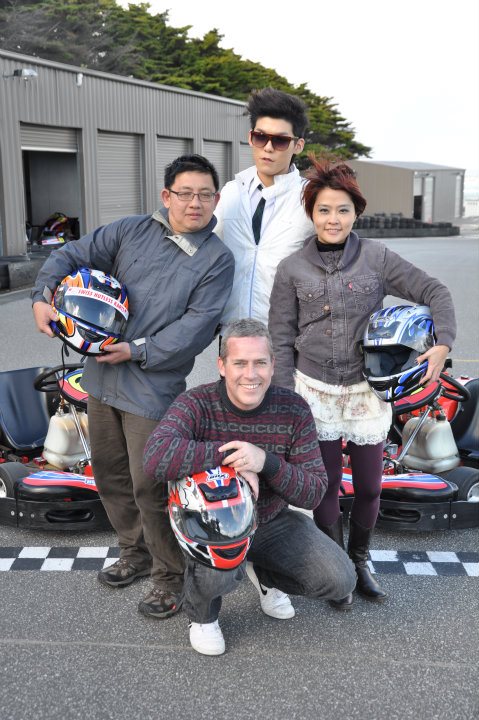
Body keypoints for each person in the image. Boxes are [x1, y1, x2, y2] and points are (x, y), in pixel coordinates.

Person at [31, 154, 235, 620]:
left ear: (216, 200)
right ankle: (134, 553)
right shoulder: (130, 230)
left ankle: (169, 576)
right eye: (185, 193)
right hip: (101, 378)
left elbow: (197, 327)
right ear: (167, 196)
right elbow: (70, 254)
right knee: (110, 474)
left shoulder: (217, 259)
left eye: (205, 194)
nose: (195, 203)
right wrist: (43, 296)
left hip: (152, 386)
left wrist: (137, 350)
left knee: (151, 486)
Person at [269, 156, 456, 608]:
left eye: (343, 210)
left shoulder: (377, 257)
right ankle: (337, 566)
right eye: (324, 210)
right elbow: (280, 336)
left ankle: (360, 558)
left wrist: (443, 343)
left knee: (371, 486)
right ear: (311, 214)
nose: (333, 219)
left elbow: (435, 291)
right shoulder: (291, 268)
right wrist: (286, 397)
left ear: (356, 213)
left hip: (366, 392)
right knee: (325, 486)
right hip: (314, 391)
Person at [143, 319, 356, 655]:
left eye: (260, 363)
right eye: (240, 363)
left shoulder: (293, 409)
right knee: (221, 569)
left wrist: (265, 462)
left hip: (271, 520)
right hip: (213, 524)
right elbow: (155, 458)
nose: (250, 374)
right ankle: (202, 615)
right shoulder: (196, 403)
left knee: (340, 579)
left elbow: (314, 491)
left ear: (273, 365)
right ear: (222, 366)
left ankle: (265, 576)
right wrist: (232, 457)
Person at [214, 87, 314, 329]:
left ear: (298, 145)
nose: (268, 147)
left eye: (280, 140)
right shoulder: (230, 192)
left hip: (287, 337)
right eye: (260, 137)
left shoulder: (312, 199)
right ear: (251, 138)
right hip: (233, 334)